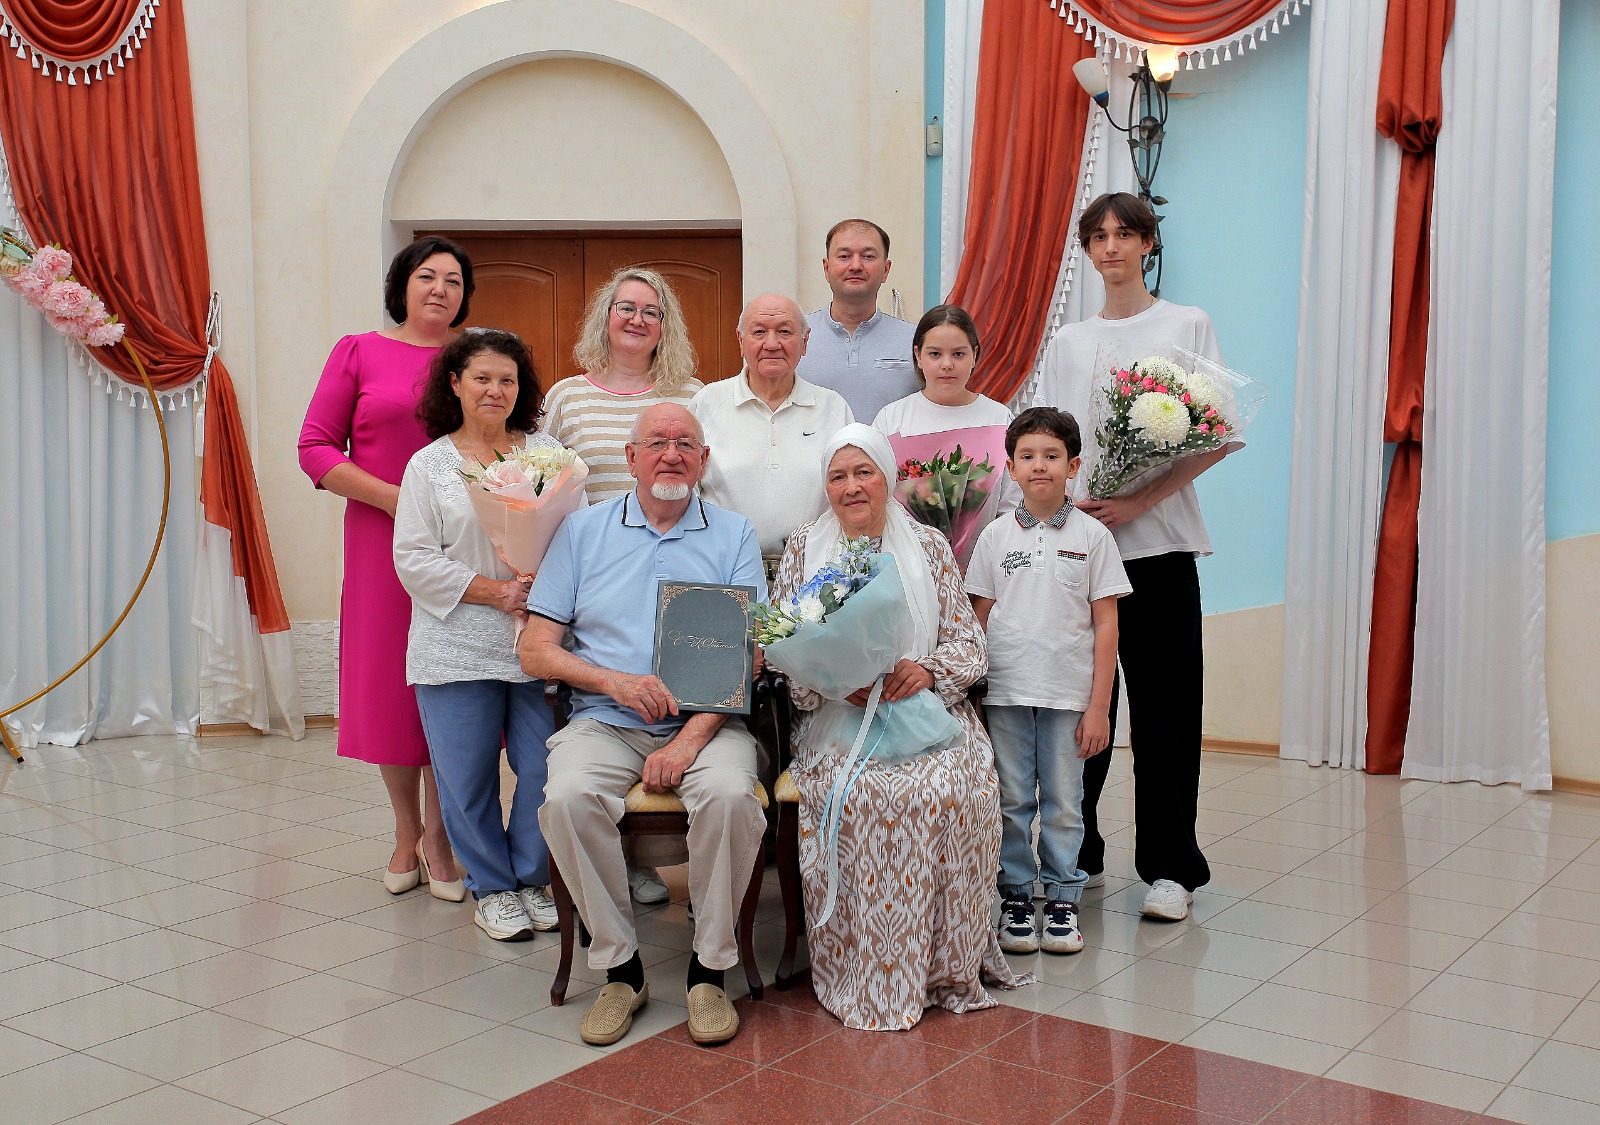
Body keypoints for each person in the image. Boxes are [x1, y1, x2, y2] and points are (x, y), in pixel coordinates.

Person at [520, 403, 766, 1048]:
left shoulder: (735, 534)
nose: (671, 453)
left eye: (686, 443)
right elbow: (535, 650)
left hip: (708, 724)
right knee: (567, 797)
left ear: (703, 461)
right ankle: (621, 970)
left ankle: (709, 971)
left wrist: (686, 744)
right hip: (606, 719)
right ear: (630, 458)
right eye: (656, 441)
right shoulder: (581, 533)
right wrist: (615, 682)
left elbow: (749, 655)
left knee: (731, 795)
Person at [772, 423, 1031, 1031]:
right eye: (838, 476)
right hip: (840, 714)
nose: (852, 487)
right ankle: (864, 966)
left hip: (927, 707)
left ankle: (944, 964)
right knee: (864, 795)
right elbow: (784, 650)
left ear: (887, 478)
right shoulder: (804, 548)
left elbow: (969, 644)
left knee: (958, 786)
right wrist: (838, 680)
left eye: (864, 472)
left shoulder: (930, 544)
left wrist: (927, 670)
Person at [1030, 192, 1232, 921]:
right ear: (1087, 250)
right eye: (1098, 236)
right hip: (1081, 551)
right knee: (1078, 709)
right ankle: (1075, 852)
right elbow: (1048, 440)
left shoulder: (1186, 323)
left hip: (1159, 547)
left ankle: (1171, 868)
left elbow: (1216, 434)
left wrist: (1140, 501)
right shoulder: (1068, 341)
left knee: (1166, 712)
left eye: (1125, 234)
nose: (1111, 247)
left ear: (1148, 243)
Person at [298, 235, 474, 898]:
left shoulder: (474, 356)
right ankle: (406, 831)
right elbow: (315, 447)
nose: (440, 289)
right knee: (391, 686)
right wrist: (399, 499)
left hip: (462, 541)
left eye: (453, 280)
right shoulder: (358, 351)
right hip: (381, 538)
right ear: (401, 284)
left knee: (453, 682)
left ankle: (442, 836)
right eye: (427, 276)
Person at [539, 266, 703, 904]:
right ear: (604, 317)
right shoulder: (567, 398)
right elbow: (541, 484)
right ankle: (612, 862)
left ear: (667, 326)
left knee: (671, 702)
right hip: (593, 574)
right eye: (625, 307)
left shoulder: (691, 394)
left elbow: (704, 482)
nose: (637, 319)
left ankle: (648, 859)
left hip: (675, 566)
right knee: (606, 710)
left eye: (651, 311)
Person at [393, 330, 562, 941]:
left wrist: (545, 585)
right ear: (455, 384)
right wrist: (495, 592)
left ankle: (533, 876)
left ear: (521, 389)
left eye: (507, 380)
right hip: (454, 643)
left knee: (545, 768)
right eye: (482, 378)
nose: (495, 390)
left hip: (537, 640)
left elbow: (574, 536)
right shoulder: (430, 465)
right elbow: (412, 558)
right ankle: (492, 887)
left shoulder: (548, 455)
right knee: (466, 777)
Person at [965, 408, 1130, 956]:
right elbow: (977, 618)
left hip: (1069, 697)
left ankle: (1062, 898)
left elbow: (1107, 625)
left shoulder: (1094, 536)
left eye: (1052, 456)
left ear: (1073, 466)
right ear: (1011, 468)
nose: (1040, 466)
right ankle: (1015, 896)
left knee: (1064, 802)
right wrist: (970, 693)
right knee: (1012, 799)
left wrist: (1099, 706)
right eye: (1028, 456)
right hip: (1006, 693)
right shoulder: (994, 537)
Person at [691, 293, 854, 580]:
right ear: (741, 341)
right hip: (723, 572)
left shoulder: (833, 408)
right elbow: (687, 489)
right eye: (759, 332)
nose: (772, 344)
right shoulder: (706, 403)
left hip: (812, 575)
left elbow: (851, 491)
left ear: (805, 341)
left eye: (784, 331)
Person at [871, 304, 1014, 563]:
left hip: (982, 568)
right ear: (918, 355)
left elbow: (1011, 504)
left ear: (974, 355)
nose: (947, 365)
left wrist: (984, 565)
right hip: (908, 565)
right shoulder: (892, 419)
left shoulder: (999, 419)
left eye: (958, 354)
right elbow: (878, 499)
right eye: (935, 354)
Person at [795, 219, 918, 422]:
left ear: (886, 270)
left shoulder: (916, 340)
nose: (855, 266)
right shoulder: (793, 338)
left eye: (868, 256)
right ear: (826, 268)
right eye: (844, 256)